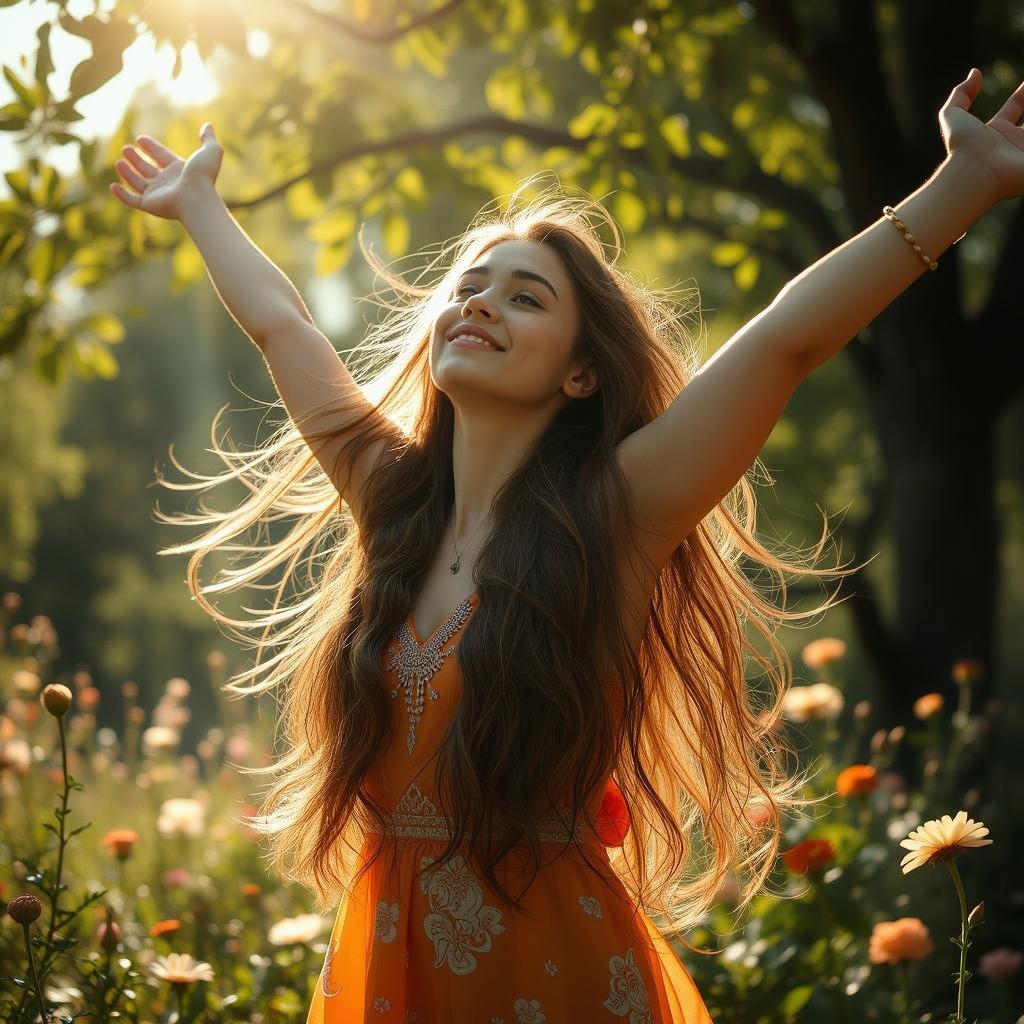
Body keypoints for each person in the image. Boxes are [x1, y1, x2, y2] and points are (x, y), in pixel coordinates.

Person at [110, 67, 1021, 1022]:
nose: (480, 304)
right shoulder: (393, 503)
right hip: (386, 965)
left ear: (583, 374)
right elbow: (281, 323)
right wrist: (201, 203)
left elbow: (785, 340)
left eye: (525, 298)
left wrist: (967, 183)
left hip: (554, 967)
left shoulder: (621, 512)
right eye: (468, 287)